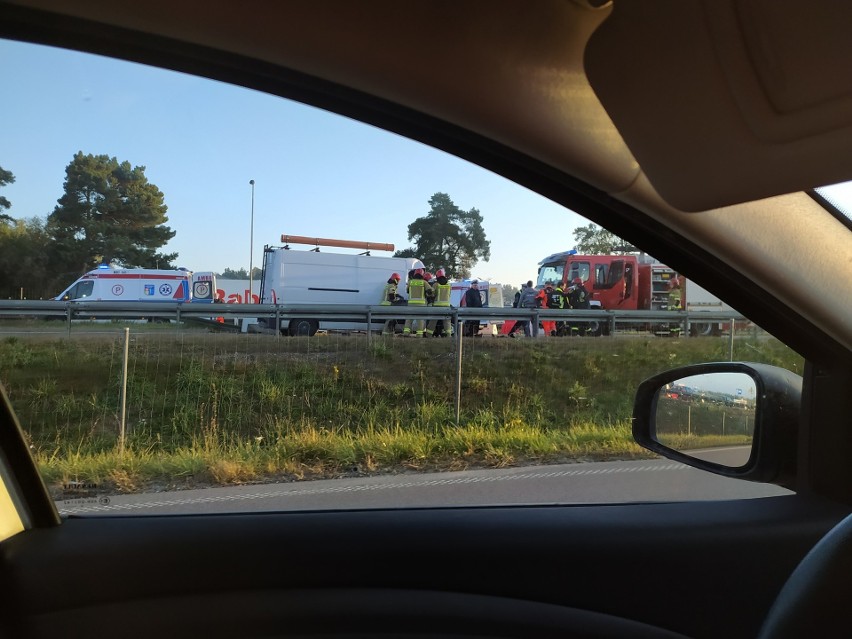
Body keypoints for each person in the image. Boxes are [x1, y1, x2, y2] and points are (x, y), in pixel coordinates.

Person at [424, 268, 453, 338]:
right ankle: (448, 335)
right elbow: (449, 294)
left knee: (433, 321)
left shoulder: (436, 284)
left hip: (437, 306)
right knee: (447, 321)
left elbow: (432, 294)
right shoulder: (449, 285)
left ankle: (428, 335)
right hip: (446, 306)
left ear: (437, 276)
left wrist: (427, 294)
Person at [403, 268, 431, 336]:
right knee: (420, 319)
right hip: (421, 304)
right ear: (422, 275)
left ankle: (406, 333)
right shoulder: (424, 282)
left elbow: (407, 291)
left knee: (409, 319)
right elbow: (430, 291)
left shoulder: (411, 282)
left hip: (411, 304)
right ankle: (419, 334)